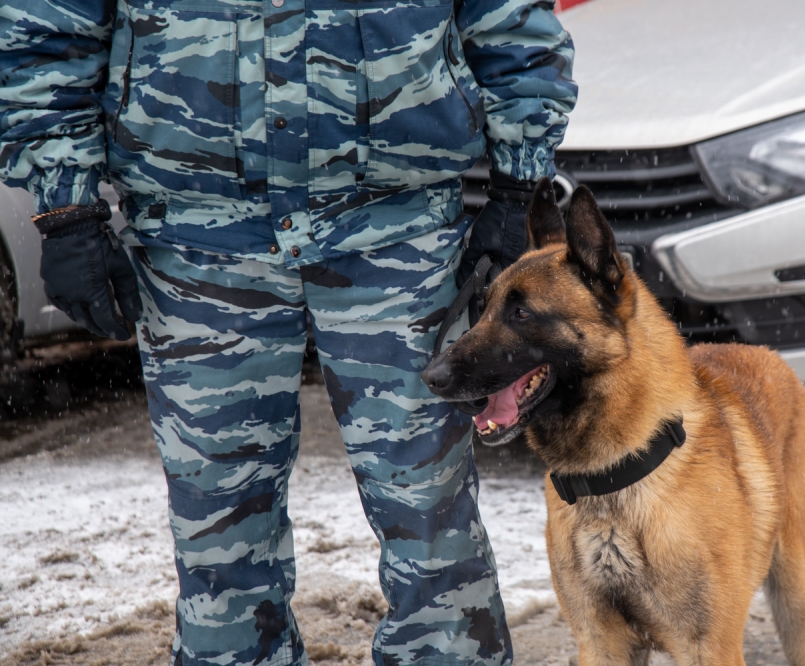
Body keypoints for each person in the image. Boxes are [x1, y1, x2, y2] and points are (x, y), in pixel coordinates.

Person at [0, 0, 576, 664]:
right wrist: (66, 204)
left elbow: (508, 16)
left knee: (429, 509)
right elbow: (51, 24)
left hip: (395, 228)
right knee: (218, 522)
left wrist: (520, 183)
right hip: (196, 235)